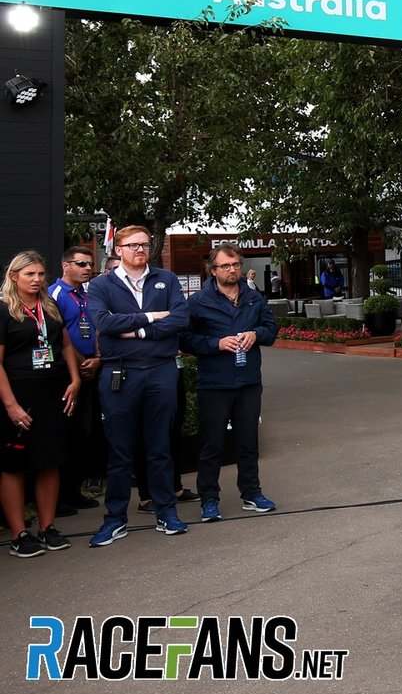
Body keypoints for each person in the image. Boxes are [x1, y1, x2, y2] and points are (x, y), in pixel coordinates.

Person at [86, 226, 192, 545]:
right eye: (132, 245)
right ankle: (115, 518)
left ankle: (166, 511)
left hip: (160, 371)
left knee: (159, 447)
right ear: (118, 250)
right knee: (120, 451)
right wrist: (151, 317)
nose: (140, 250)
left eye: (144, 245)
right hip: (120, 373)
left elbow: (180, 318)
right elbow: (103, 323)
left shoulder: (167, 279)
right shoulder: (101, 284)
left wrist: (138, 330)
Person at [180, 246, 278, 524]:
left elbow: (271, 331)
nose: (232, 270)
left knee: (248, 442)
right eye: (225, 266)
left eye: (235, 264)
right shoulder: (198, 302)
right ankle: (209, 499)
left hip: (248, 382)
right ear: (213, 270)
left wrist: (255, 334)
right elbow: (184, 340)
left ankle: (252, 493)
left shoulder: (253, 297)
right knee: (212, 444)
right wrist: (215, 343)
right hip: (214, 384)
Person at [2, 251, 81, 557]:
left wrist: (74, 380)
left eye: (39, 274)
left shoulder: (49, 306)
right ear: (14, 277)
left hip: (53, 394)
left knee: (50, 460)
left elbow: (65, 345)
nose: (36, 280)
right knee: (14, 466)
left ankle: (47, 527)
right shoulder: (3, 310)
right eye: (29, 275)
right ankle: (19, 533)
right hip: (18, 397)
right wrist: (10, 405)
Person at [49, 246, 103, 516]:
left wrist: (97, 358)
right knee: (65, 434)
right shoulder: (55, 294)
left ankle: (74, 491)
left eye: (90, 264)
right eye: (81, 263)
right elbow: (57, 336)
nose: (87, 268)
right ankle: (57, 498)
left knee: (84, 432)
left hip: (90, 370)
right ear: (65, 266)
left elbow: (94, 328)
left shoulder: (86, 294)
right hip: (66, 374)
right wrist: (82, 362)